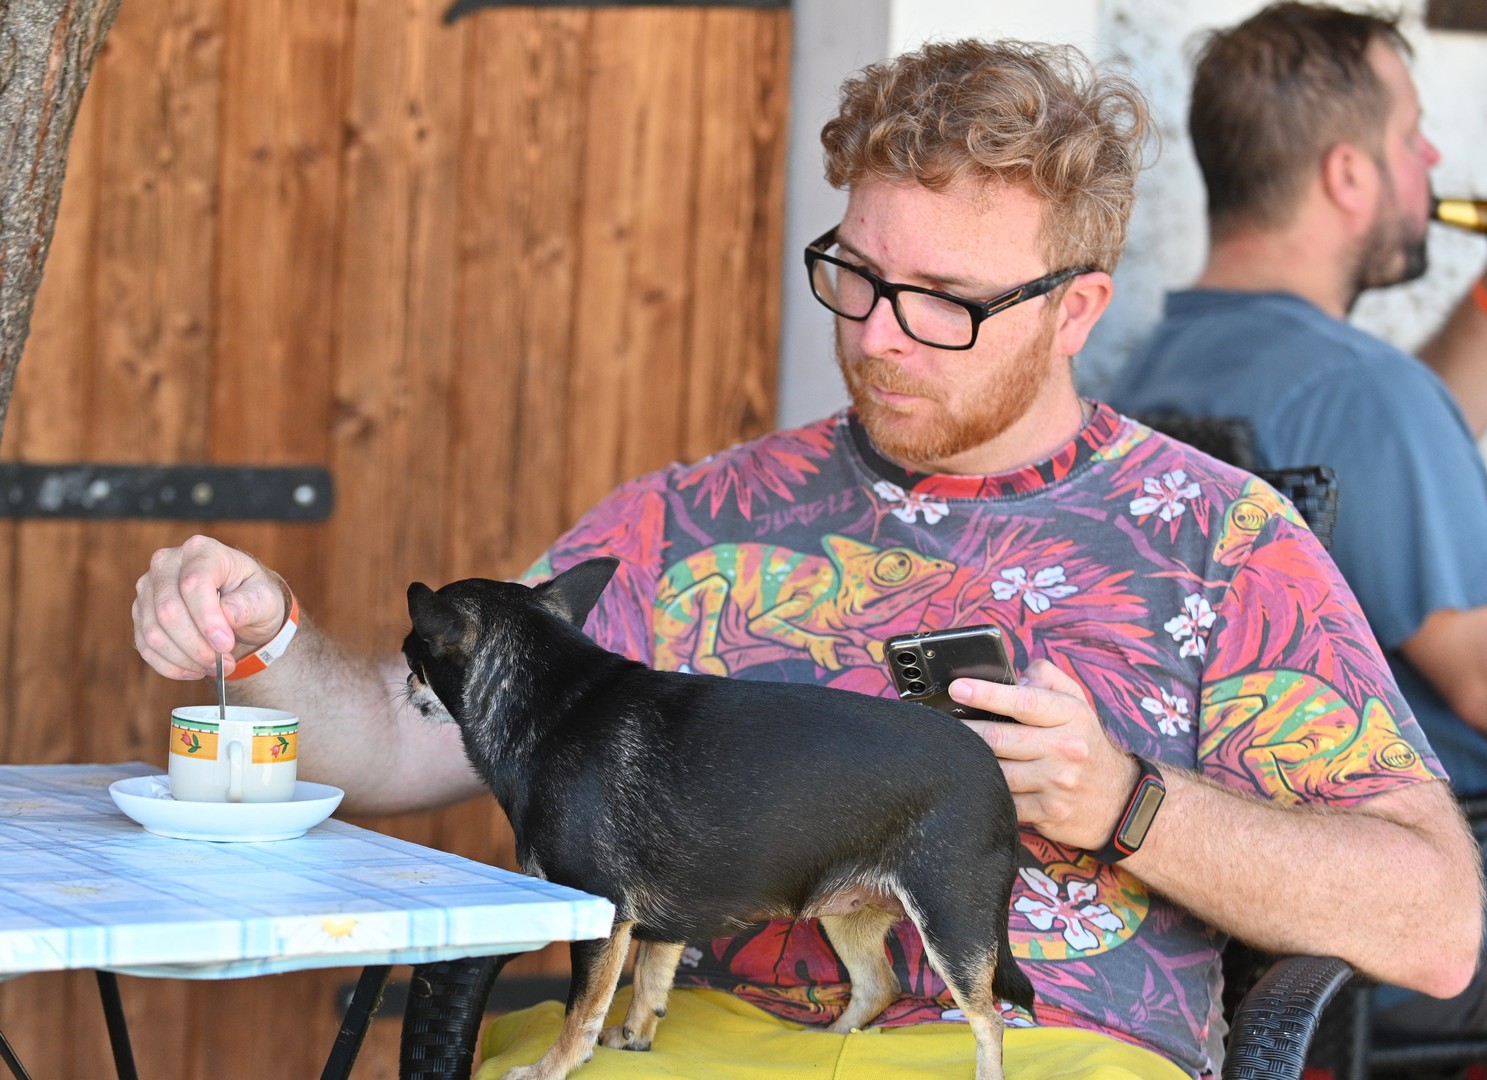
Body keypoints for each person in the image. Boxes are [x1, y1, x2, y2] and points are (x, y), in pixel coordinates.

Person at [133, 38, 1481, 1080]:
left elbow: (1433, 926)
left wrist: (1128, 805)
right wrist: (263, 632)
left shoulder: (1216, 541)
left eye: (944, 302)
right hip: (700, 1045)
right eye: (856, 273)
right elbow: (398, 737)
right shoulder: (689, 521)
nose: (879, 335)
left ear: (1075, 309)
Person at [1106, 1, 1487, 1041]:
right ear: (1347, 175)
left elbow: (1390, 424)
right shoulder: (1363, 397)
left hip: (1244, 927)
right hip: (1412, 933)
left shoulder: (1159, 368)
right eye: (1411, 134)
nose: (1432, 160)